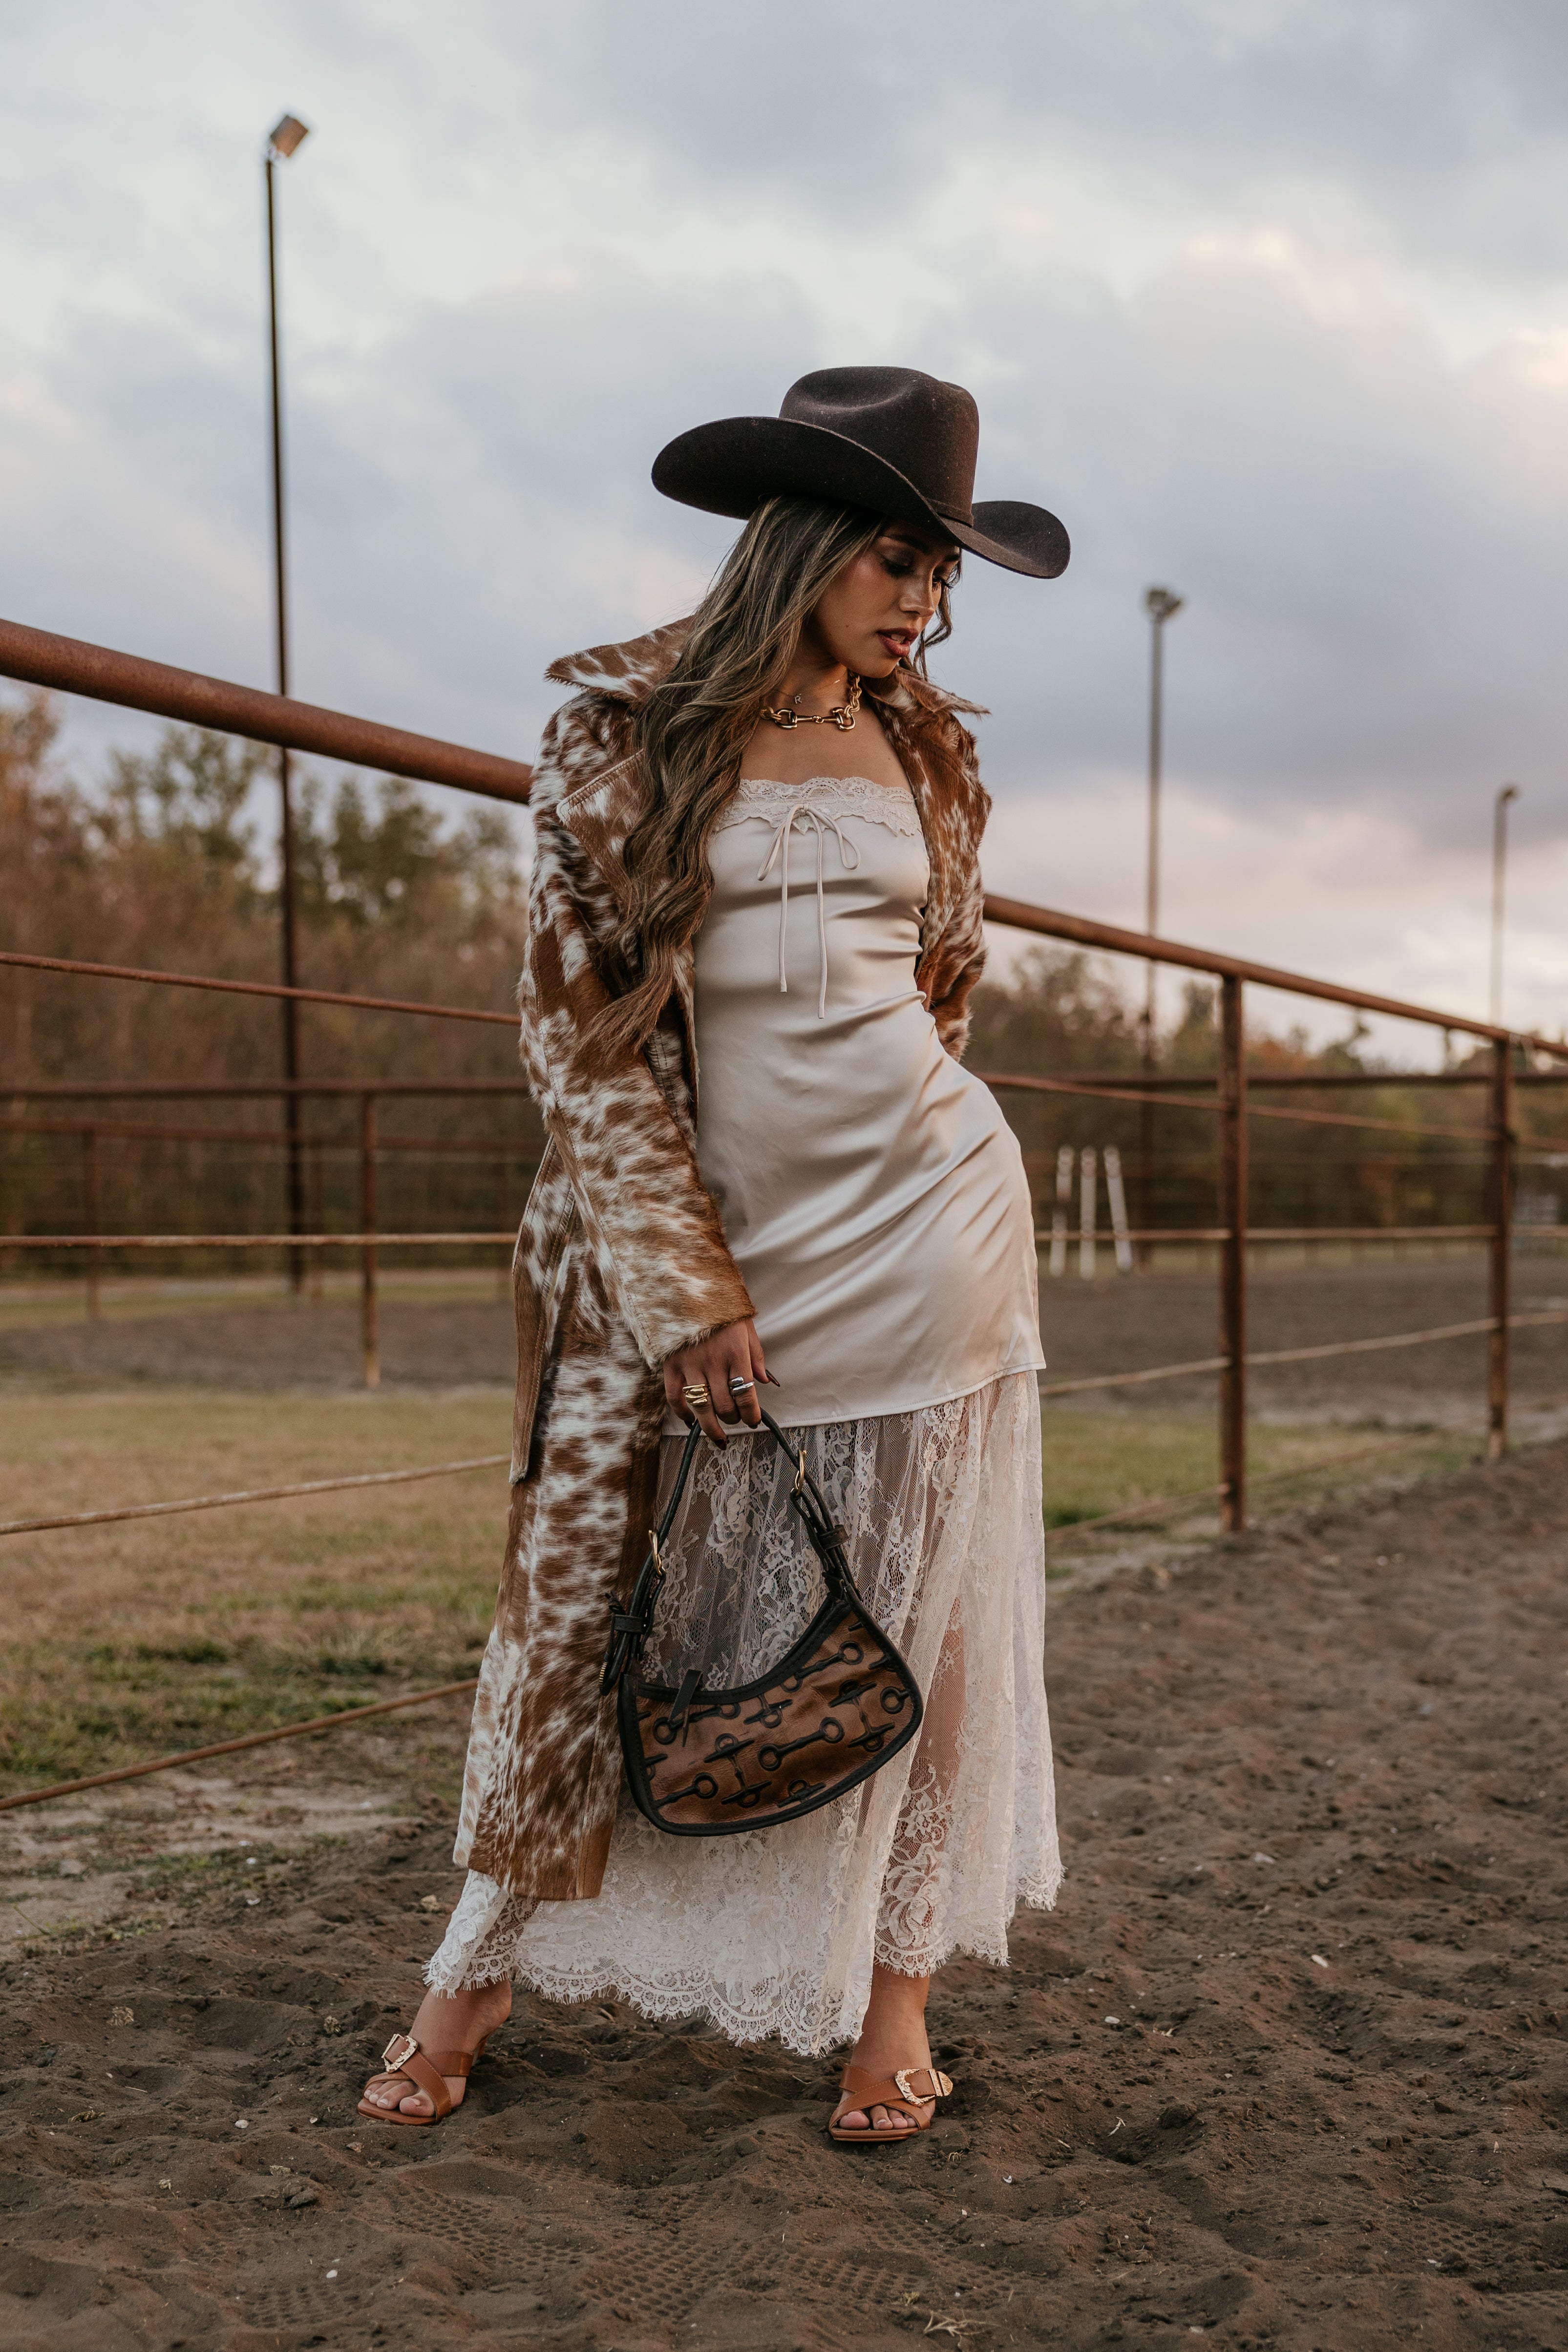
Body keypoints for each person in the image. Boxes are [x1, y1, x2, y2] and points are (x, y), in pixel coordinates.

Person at [360, 366, 1069, 2142]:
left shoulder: (932, 746)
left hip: (931, 1220)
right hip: (691, 1248)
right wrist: (688, 1288)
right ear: (808, 546)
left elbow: (936, 1000)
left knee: (928, 1605)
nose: (923, 601)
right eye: (898, 558)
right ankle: (471, 1972)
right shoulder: (621, 731)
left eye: (944, 573)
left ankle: (888, 2007)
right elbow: (578, 1040)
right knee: (592, 1606)